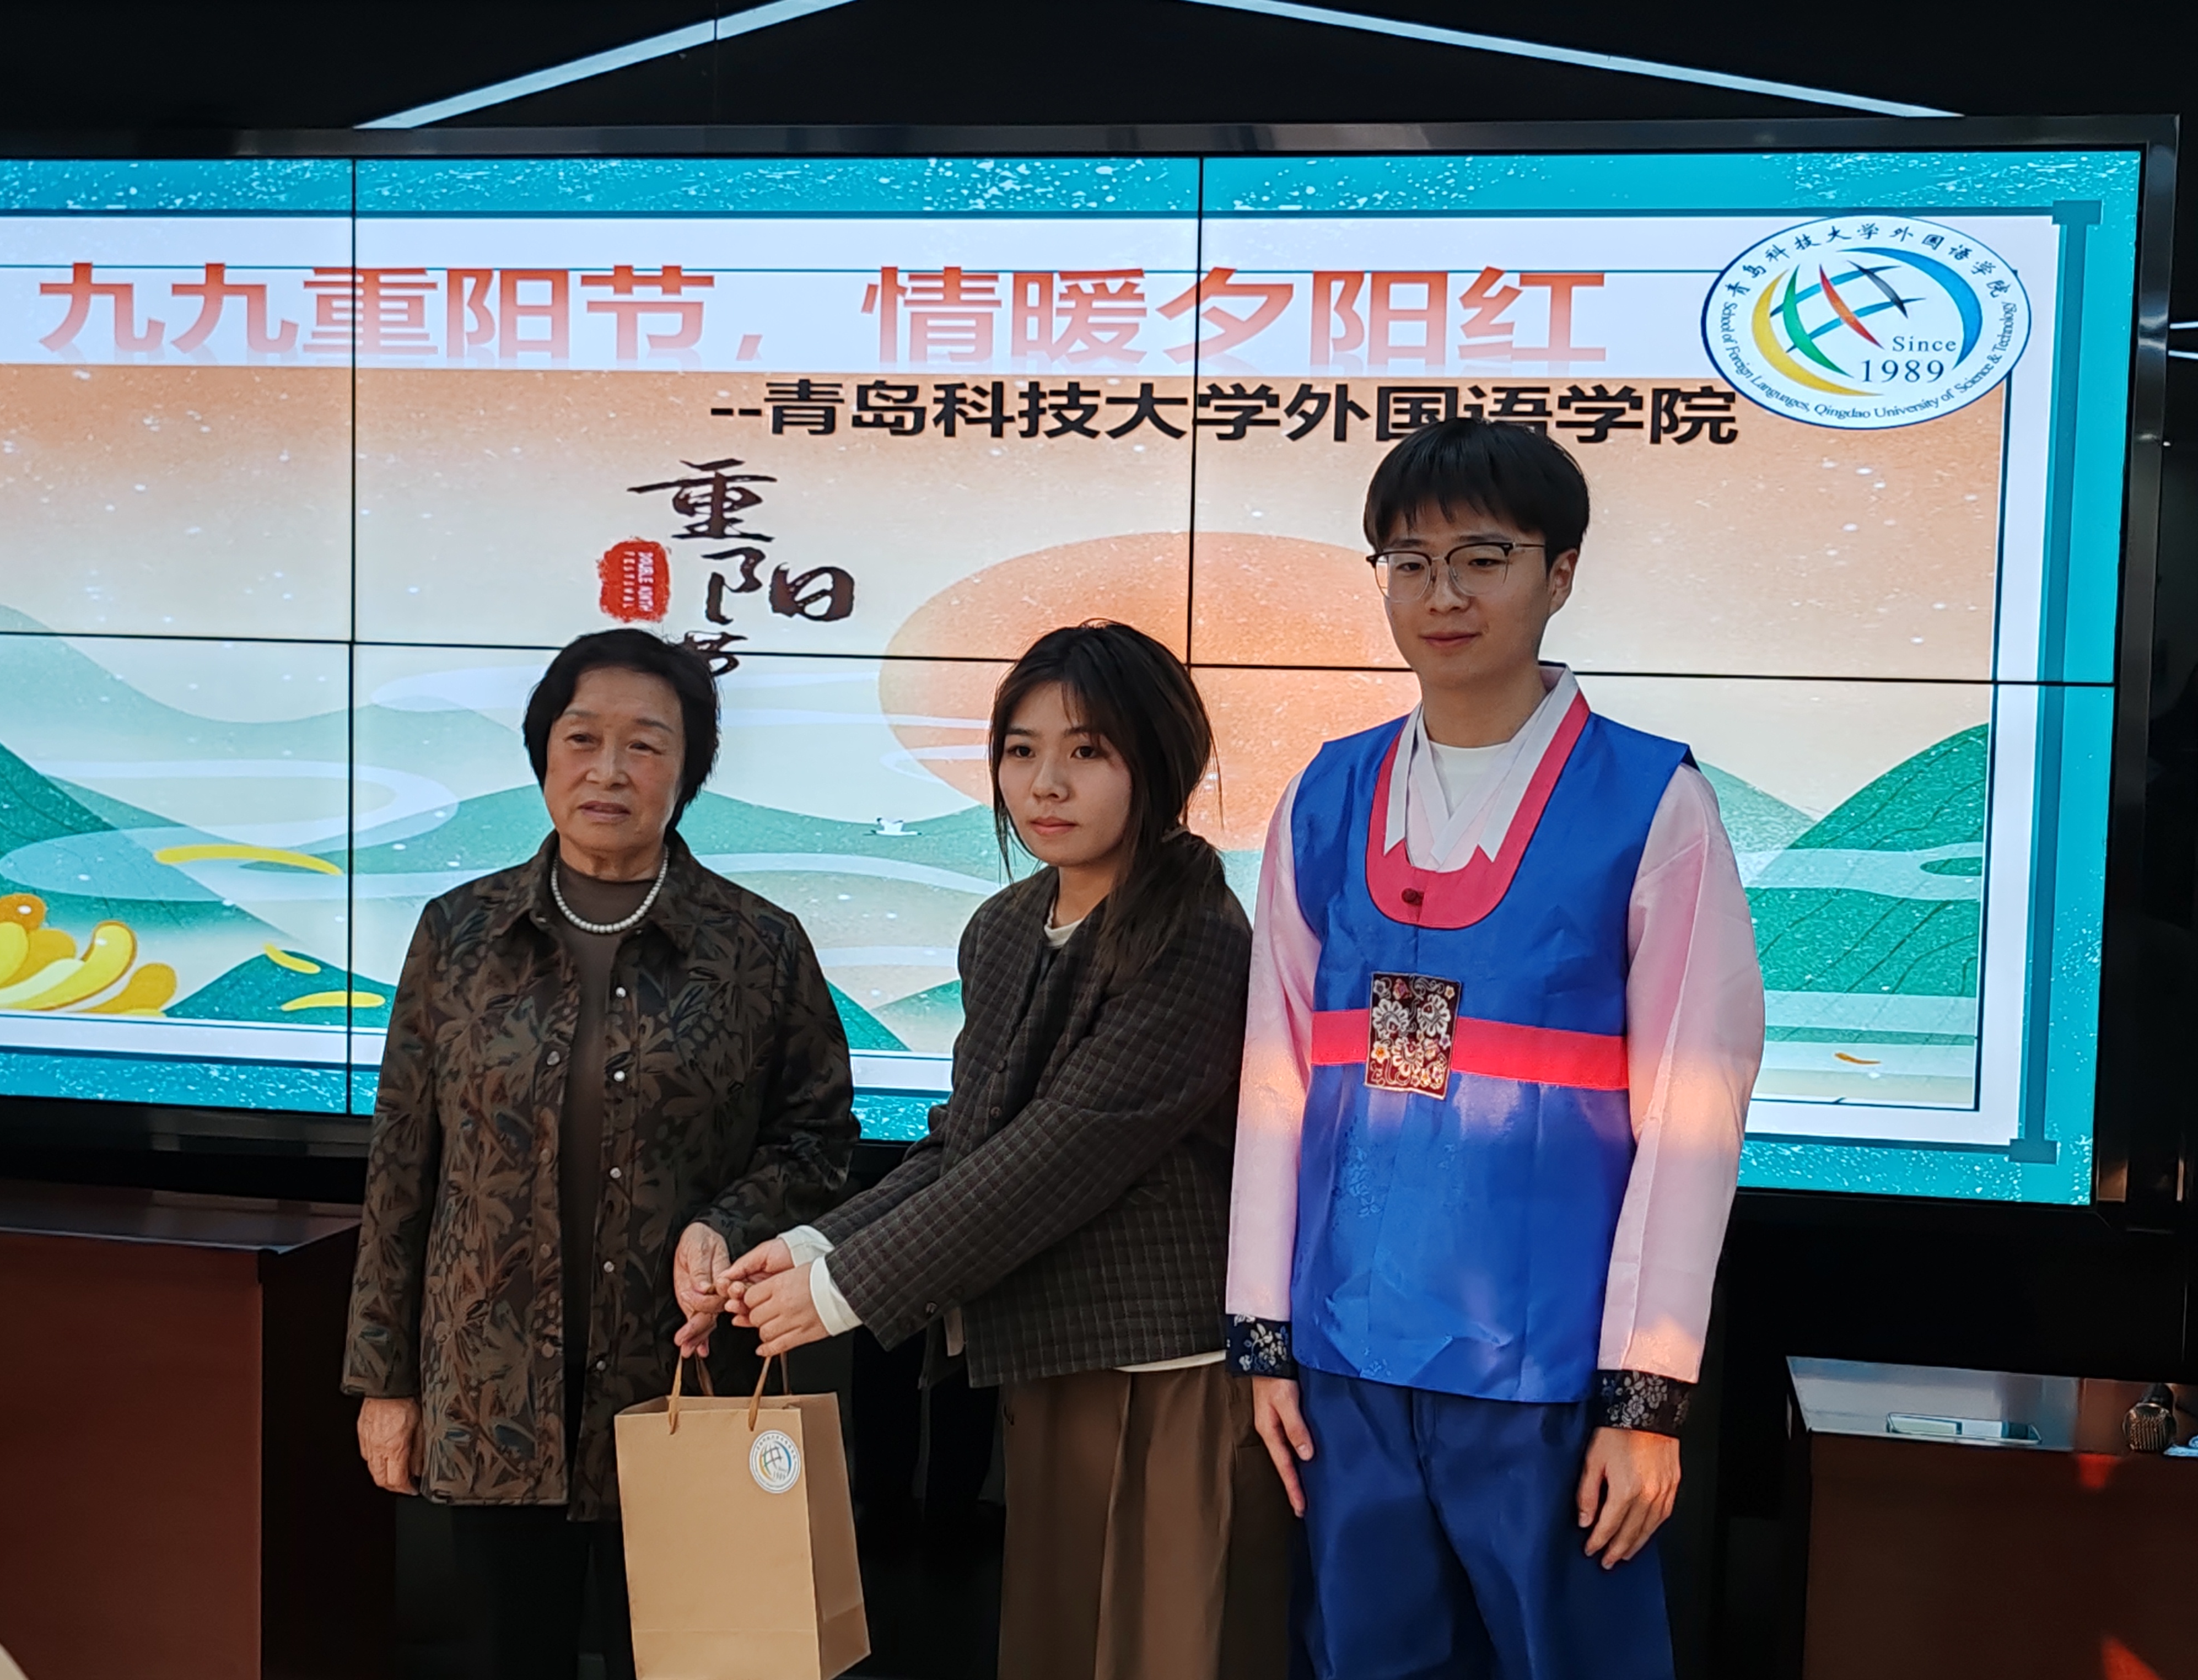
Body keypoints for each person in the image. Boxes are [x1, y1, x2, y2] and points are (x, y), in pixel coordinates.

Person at [1226, 420, 1766, 1680]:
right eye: (1409, 564)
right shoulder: (1325, 797)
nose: (1444, 596)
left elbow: (1693, 1113)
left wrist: (1644, 1399)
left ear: (1559, 572)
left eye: (1483, 558)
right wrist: (1265, 1338)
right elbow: (1272, 1076)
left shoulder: (1650, 804)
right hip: (1349, 1364)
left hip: (1549, 1377)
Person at [711, 621, 1287, 1680]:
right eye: (1022, 751)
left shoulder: (1200, 935)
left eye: (1088, 751)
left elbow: (1061, 1155)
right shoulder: (1005, 926)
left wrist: (843, 1290)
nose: (1045, 783)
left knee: (1169, 1652)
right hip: (1048, 1355)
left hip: (1168, 1370)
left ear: (1159, 763)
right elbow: (968, 1141)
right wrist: (809, 1246)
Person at [342, 628, 858, 1680]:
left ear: (688, 769)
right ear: (544, 753)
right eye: (582, 738)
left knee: (685, 1663)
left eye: (646, 745)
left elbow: (819, 1139)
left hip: (681, 1389)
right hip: (488, 1395)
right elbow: (401, 1168)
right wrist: (383, 1383)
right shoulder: (459, 935)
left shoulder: (759, 947)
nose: (609, 770)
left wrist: (728, 1223)